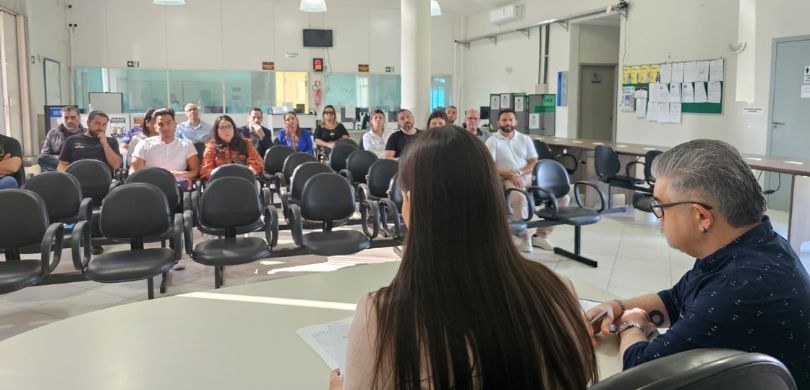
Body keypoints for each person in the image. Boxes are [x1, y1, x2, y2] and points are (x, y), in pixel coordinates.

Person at [329, 126, 597, 389]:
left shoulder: (381, 319)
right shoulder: (559, 291)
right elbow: (579, 374)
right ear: (493, 197)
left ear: (410, 203)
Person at [586, 139, 810, 389]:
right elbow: (675, 300)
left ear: (702, 216)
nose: (657, 215)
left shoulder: (740, 287)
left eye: (660, 205)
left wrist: (632, 322)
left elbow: (642, 369)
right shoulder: (752, 243)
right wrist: (616, 307)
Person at [485, 108, 568, 253]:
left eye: (510, 119)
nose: (507, 123)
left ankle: (542, 235)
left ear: (516, 121)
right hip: (505, 177)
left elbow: (533, 161)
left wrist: (520, 172)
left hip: (526, 176)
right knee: (520, 198)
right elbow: (489, 166)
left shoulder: (524, 139)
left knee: (562, 198)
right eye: (504, 120)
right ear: (498, 122)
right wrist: (511, 175)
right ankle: (522, 235)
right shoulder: (492, 141)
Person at [130, 107, 199, 270]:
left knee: (180, 204)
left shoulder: (186, 144)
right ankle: (138, 253)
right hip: (149, 190)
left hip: (176, 189)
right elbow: (134, 172)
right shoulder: (144, 144)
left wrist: (184, 174)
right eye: (161, 124)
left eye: (169, 123)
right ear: (155, 126)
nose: (165, 127)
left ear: (175, 125)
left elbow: (195, 170)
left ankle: (176, 252)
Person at [57, 111, 122, 174]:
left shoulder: (111, 142)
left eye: (104, 124)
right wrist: (68, 177)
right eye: (97, 123)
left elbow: (116, 165)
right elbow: (62, 164)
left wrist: (105, 144)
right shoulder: (72, 140)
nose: (101, 128)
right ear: (88, 123)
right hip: (77, 180)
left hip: (103, 181)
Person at [201, 115, 263, 180]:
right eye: (222, 127)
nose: (226, 130)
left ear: (234, 129)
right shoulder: (211, 146)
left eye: (229, 126)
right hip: (220, 181)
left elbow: (258, 163)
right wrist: (226, 173)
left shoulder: (246, 143)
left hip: (243, 179)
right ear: (217, 132)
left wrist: (246, 172)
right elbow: (205, 171)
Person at [38, 105, 83, 172]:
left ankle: (70, 169)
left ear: (79, 118)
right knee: (41, 158)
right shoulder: (53, 133)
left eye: (73, 117)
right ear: (62, 119)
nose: (69, 121)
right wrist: (63, 159)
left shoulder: (86, 134)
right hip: (59, 164)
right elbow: (45, 154)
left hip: (80, 163)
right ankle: (70, 169)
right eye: (66, 118)